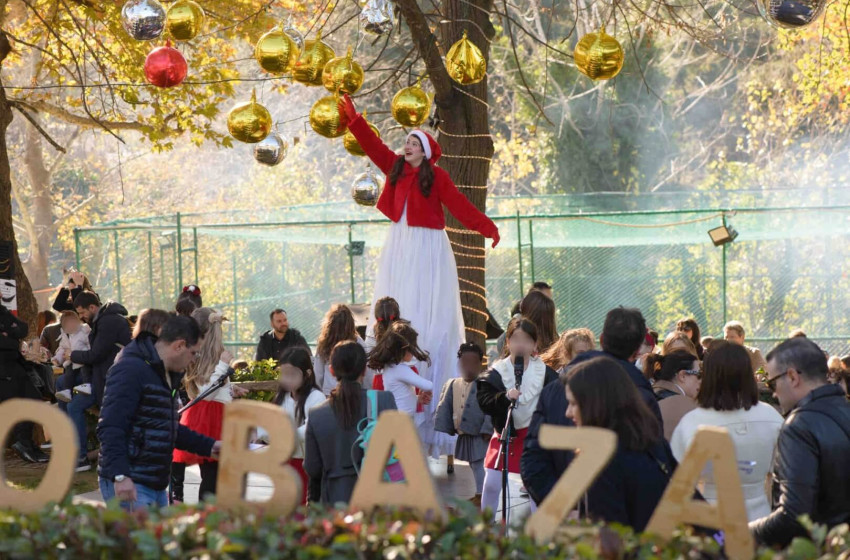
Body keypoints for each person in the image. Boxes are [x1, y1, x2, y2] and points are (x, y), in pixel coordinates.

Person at [342, 94, 500, 460]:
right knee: (399, 304)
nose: (407, 146)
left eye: (414, 143)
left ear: (426, 151)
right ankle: (393, 369)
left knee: (429, 313)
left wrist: (485, 227)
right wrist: (354, 121)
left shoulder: (437, 177)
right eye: (407, 141)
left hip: (429, 248)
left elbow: (459, 205)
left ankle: (429, 402)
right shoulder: (395, 168)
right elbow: (374, 145)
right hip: (401, 244)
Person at [97, 315, 222, 511]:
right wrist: (120, 475)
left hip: (153, 483)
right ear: (179, 346)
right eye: (194, 353)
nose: (193, 361)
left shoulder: (165, 373)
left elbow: (166, 426)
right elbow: (111, 426)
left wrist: (210, 446)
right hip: (130, 482)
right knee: (138, 541)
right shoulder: (130, 369)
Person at [750, 337, 850, 547]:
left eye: (772, 383)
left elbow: (793, 514)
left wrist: (742, 532)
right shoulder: (843, 410)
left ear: (793, 377)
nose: (774, 393)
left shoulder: (799, 427)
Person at [671, 341, 783, 522]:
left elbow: (676, 483)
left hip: (708, 519)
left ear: (709, 376)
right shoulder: (771, 417)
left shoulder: (692, 422)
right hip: (759, 517)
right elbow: (783, 474)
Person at [563, 356, 674, 532]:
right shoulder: (652, 441)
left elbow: (610, 542)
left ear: (596, 404)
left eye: (574, 404)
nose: (568, 412)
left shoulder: (602, 463)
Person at [477, 318, 558, 517]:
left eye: (527, 340)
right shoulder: (496, 372)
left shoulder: (546, 374)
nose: (521, 344)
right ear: (508, 342)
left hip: (533, 438)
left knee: (535, 490)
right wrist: (504, 398)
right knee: (491, 485)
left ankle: (539, 534)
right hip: (506, 435)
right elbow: (484, 401)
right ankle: (485, 528)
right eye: (516, 339)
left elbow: (557, 401)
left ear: (535, 344)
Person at [303, 340, 397, 505]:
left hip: (334, 502)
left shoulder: (316, 414)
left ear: (332, 371)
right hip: (379, 502)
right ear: (364, 369)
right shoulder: (384, 400)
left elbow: (313, 468)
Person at [172, 308, 245, 499]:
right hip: (210, 421)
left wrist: (230, 389)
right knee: (212, 478)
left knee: (222, 479)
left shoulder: (215, 355)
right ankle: (206, 518)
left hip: (222, 416)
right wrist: (222, 367)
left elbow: (216, 387)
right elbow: (206, 393)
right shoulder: (198, 357)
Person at [571, 307, 663, 428]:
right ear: (637, 351)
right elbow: (655, 443)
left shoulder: (557, 386)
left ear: (602, 340)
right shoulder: (643, 399)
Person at [259, 347, 325, 505]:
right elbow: (267, 423)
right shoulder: (282, 397)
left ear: (307, 374)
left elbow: (310, 428)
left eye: (292, 374)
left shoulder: (316, 397)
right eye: (283, 373)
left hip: (305, 463)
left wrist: (282, 435)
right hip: (284, 461)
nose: (286, 379)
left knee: (301, 507)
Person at [435, 342, 492, 506]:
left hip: (479, 432)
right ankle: (479, 492)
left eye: (473, 363)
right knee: (473, 463)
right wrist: (446, 424)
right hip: (464, 430)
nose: (468, 367)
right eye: (464, 362)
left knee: (478, 463)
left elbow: (490, 409)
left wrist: (487, 428)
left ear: (480, 364)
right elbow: (446, 403)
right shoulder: (453, 383)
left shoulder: (485, 384)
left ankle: (482, 495)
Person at [0, 304, 48, 464]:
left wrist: (10, 334)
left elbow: (23, 329)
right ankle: (25, 444)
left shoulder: (2, 311)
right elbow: (11, 341)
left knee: (34, 399)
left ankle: (25, 443)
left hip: (16, 365)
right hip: (3, 371)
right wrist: (13, 340)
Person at [70, 290, 131, 405]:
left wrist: (72, 355)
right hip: (108, 377)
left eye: (82, 313)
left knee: (74, 405)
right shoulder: (102, 320)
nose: (80, 317)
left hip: (113, 380)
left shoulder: (108, 322)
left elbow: (96, 354)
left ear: (92, 307)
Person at [367, 321, 434, 418]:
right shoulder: (400, 369)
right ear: (403, 349)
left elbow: (401, 396)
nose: (414, 351)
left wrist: (417, 399)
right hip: (401, 421)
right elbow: (428, 385)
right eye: (412, 348)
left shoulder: (390, 367)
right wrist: (425, 390)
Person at [644, 351, 701, 441]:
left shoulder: (647, 393)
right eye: (698, 375)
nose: (701, 381)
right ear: (682, 376)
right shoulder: (685, 405)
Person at [314, 304, 364, 395]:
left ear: (329, 323)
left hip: (330, 393)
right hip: (354, 392)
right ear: (350, 323)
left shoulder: (324, 343)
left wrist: (318, 395)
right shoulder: (358, 342)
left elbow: (318, 374)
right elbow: (366, 371)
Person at [52, 310, 91, 405]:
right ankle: (67, 391)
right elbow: (62, 348)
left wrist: (85, 352)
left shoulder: (84, 331)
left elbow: (90, 344)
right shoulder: (65, 336)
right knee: (68, 373)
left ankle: (87, 385)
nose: (71, 327)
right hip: (71, 361)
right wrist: (57, 359)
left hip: (82, 358)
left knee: (85, 370)